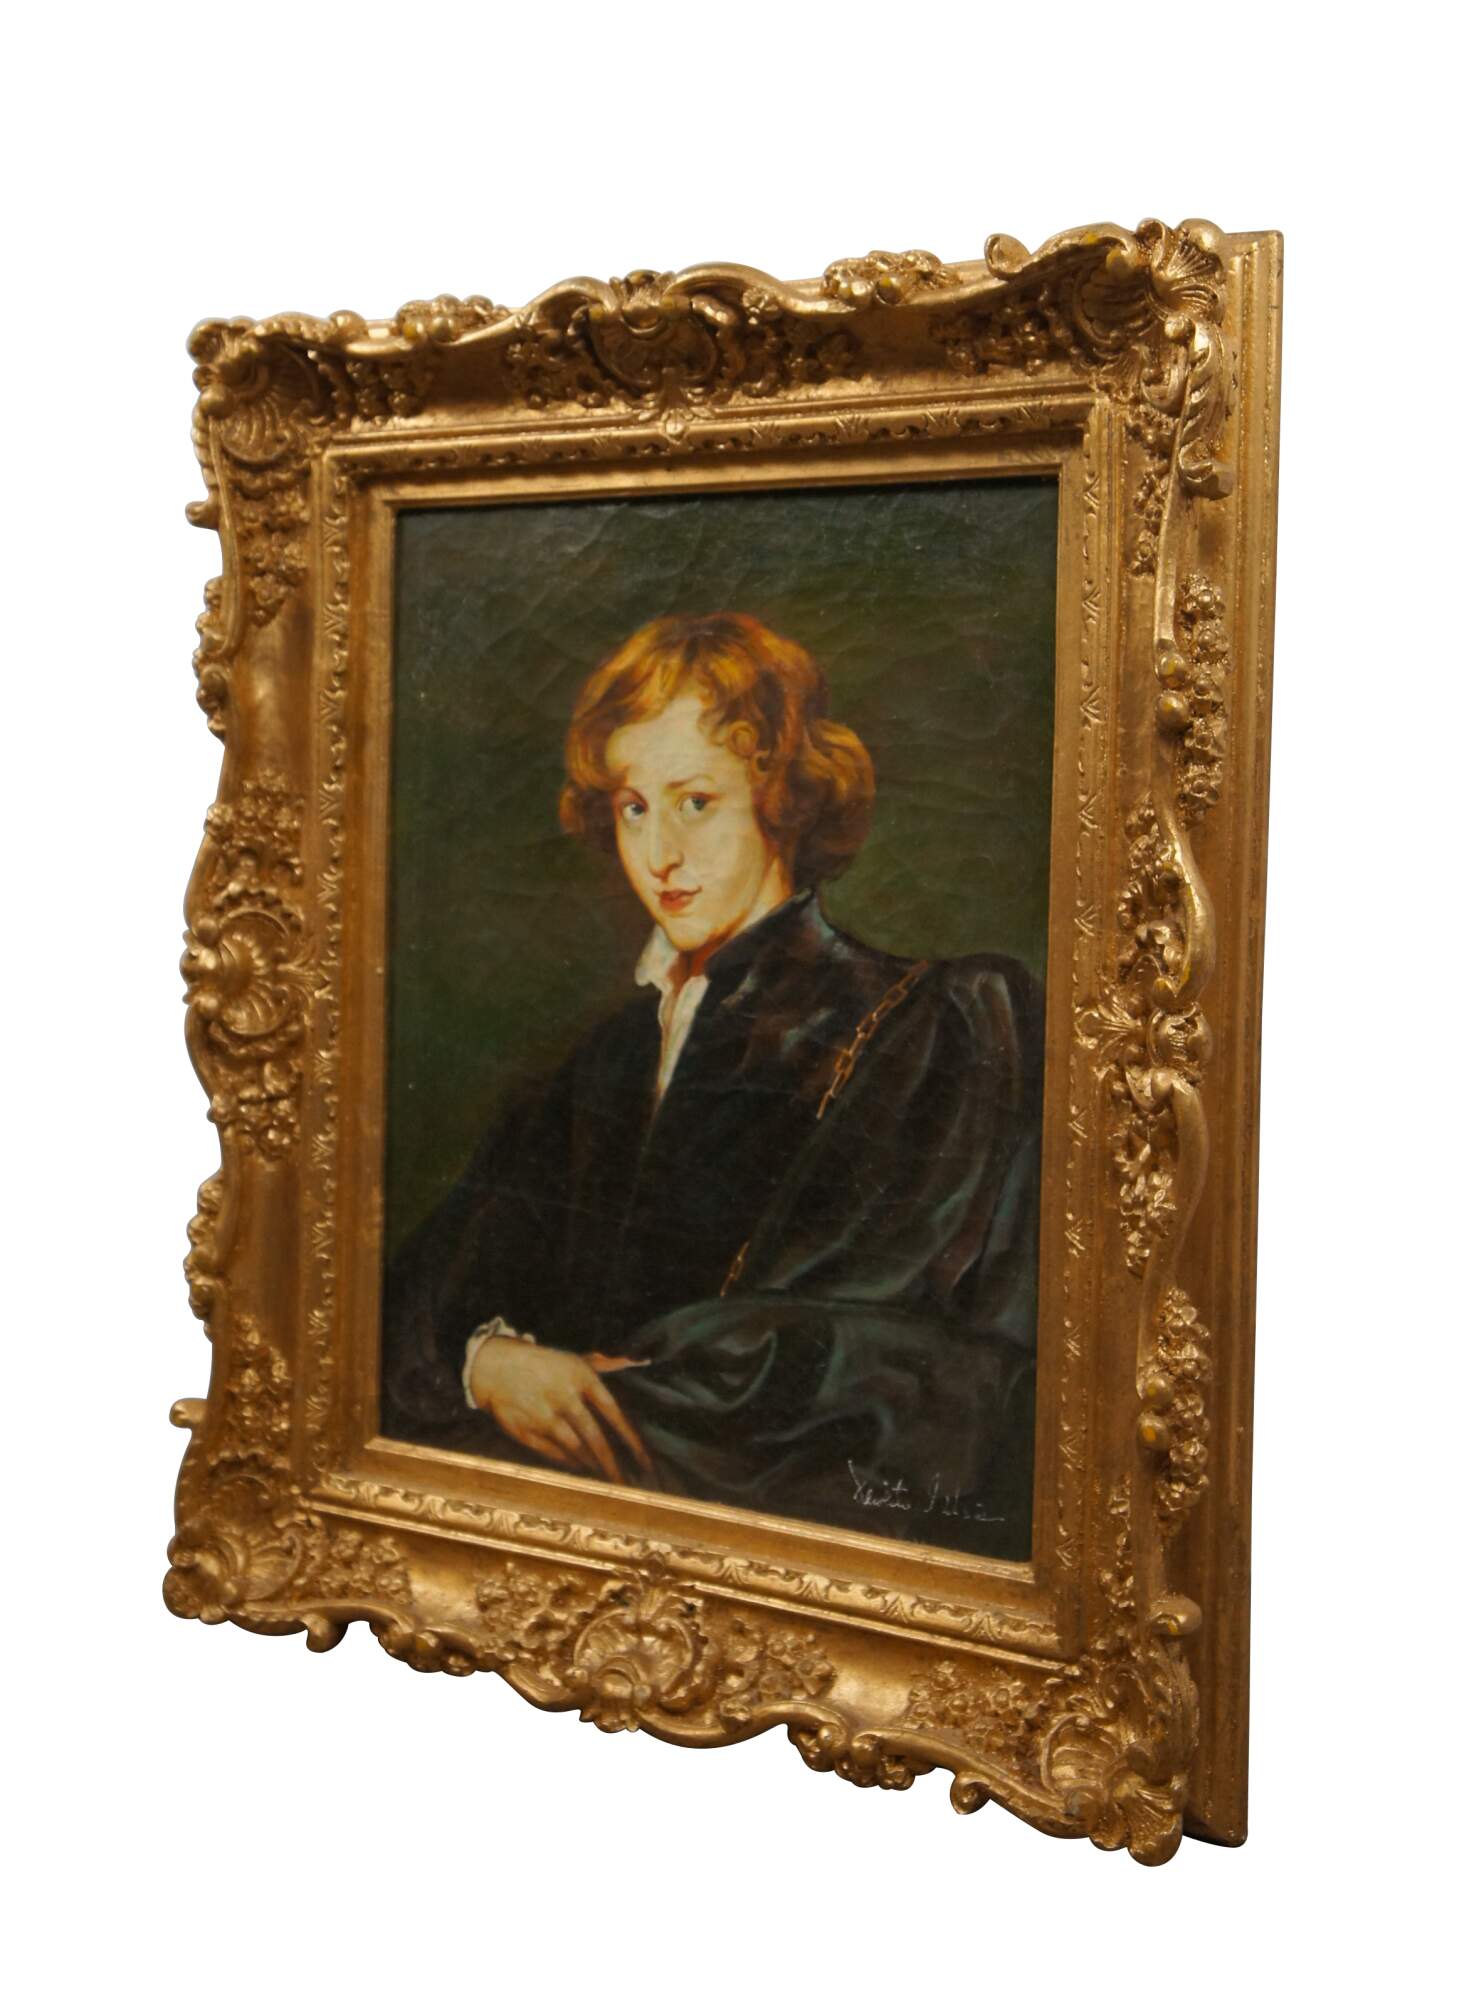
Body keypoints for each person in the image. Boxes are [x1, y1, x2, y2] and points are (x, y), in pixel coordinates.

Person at [382, 612, 1042, 1559]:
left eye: (695, 802)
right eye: (633, 808)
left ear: (783, 800)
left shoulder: (928, 1028)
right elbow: (417, 1296)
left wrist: (590, 1387)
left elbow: (890, 1373)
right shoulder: (599, 1063)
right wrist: (491, 1364)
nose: (660, 854)